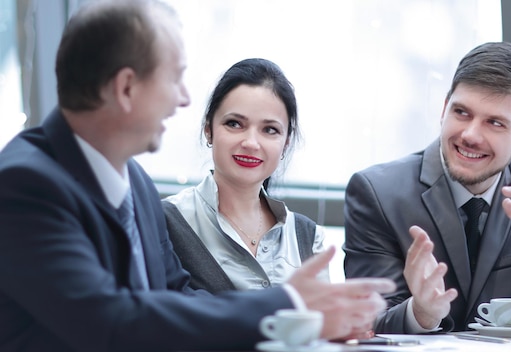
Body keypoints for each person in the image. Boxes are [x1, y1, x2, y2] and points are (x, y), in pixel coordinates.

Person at [0, 1, 395, 351]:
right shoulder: (24, 185)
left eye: (270, 130)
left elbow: (179, 296)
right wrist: (287, 301)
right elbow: (110, 322)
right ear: (125, 88)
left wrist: (300, 317)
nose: (184, 98)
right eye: (174, 78)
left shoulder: (134, 180)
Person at [343, 41, 511, 334]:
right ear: (444, 109)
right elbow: (365, 321)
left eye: (494, 123)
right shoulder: (377, 193)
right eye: (462, 112)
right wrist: (421, 313)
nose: (470, 135)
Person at [162, 58, 329, 294]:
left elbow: (324, 326)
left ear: (286, 142)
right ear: (208, 129)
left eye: (270, 130)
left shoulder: (309, 237)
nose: (251, 143)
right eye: (234, 124)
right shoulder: (165, 222)